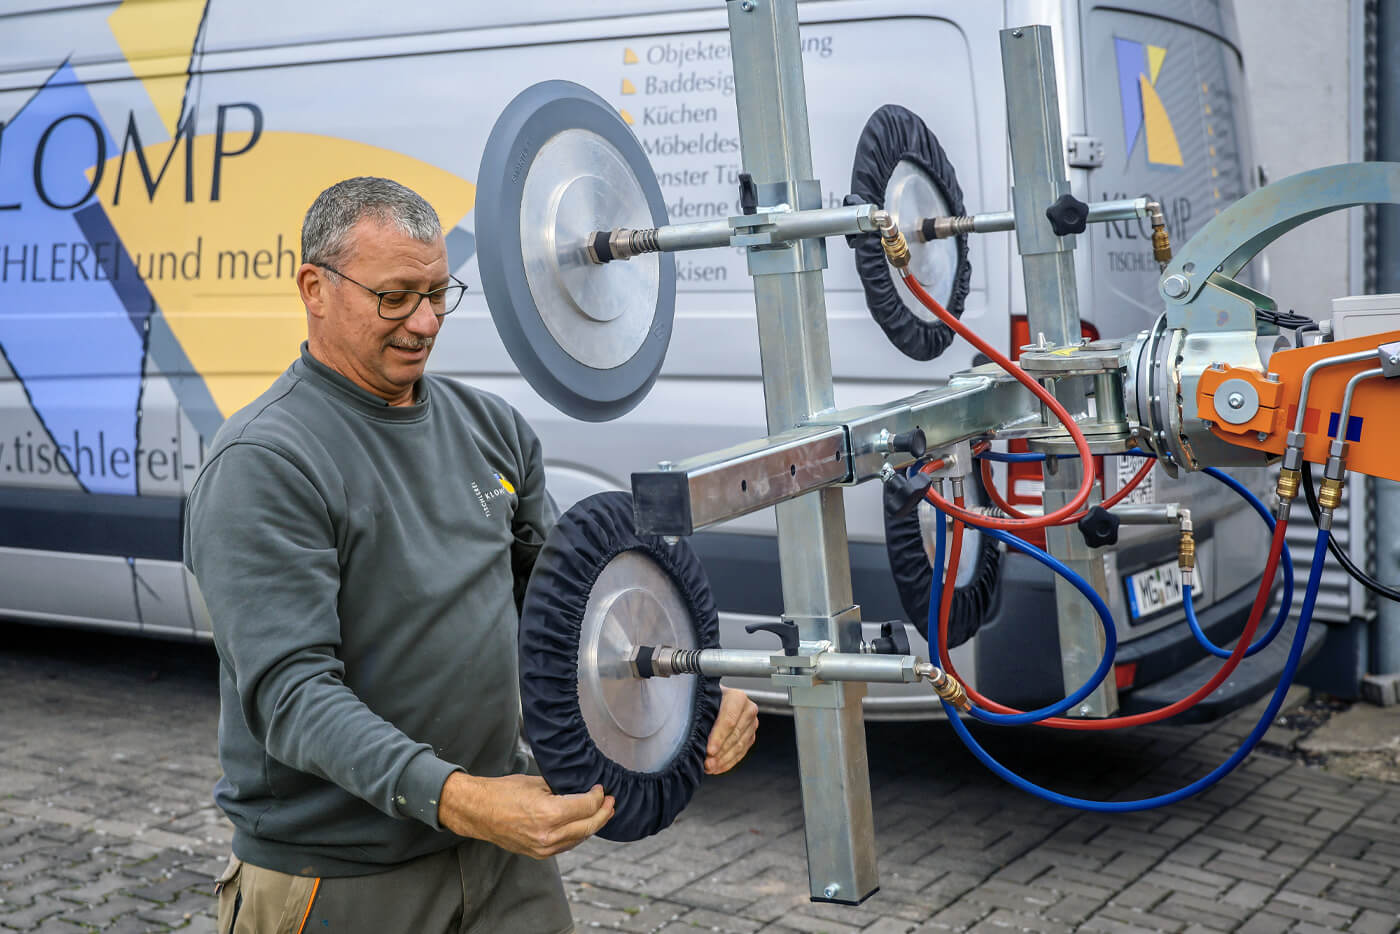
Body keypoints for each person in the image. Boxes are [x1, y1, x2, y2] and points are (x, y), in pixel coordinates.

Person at [185, 176, 759, 934]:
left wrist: (696, 699)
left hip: (502, 863)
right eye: (395, 296)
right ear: (314, 289)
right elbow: (292, 697)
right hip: (339, 874)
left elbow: (568, 622)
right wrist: (463, 798)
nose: (424, 322)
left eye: (437, 292)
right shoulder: (268, 461)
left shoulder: (493, 430)